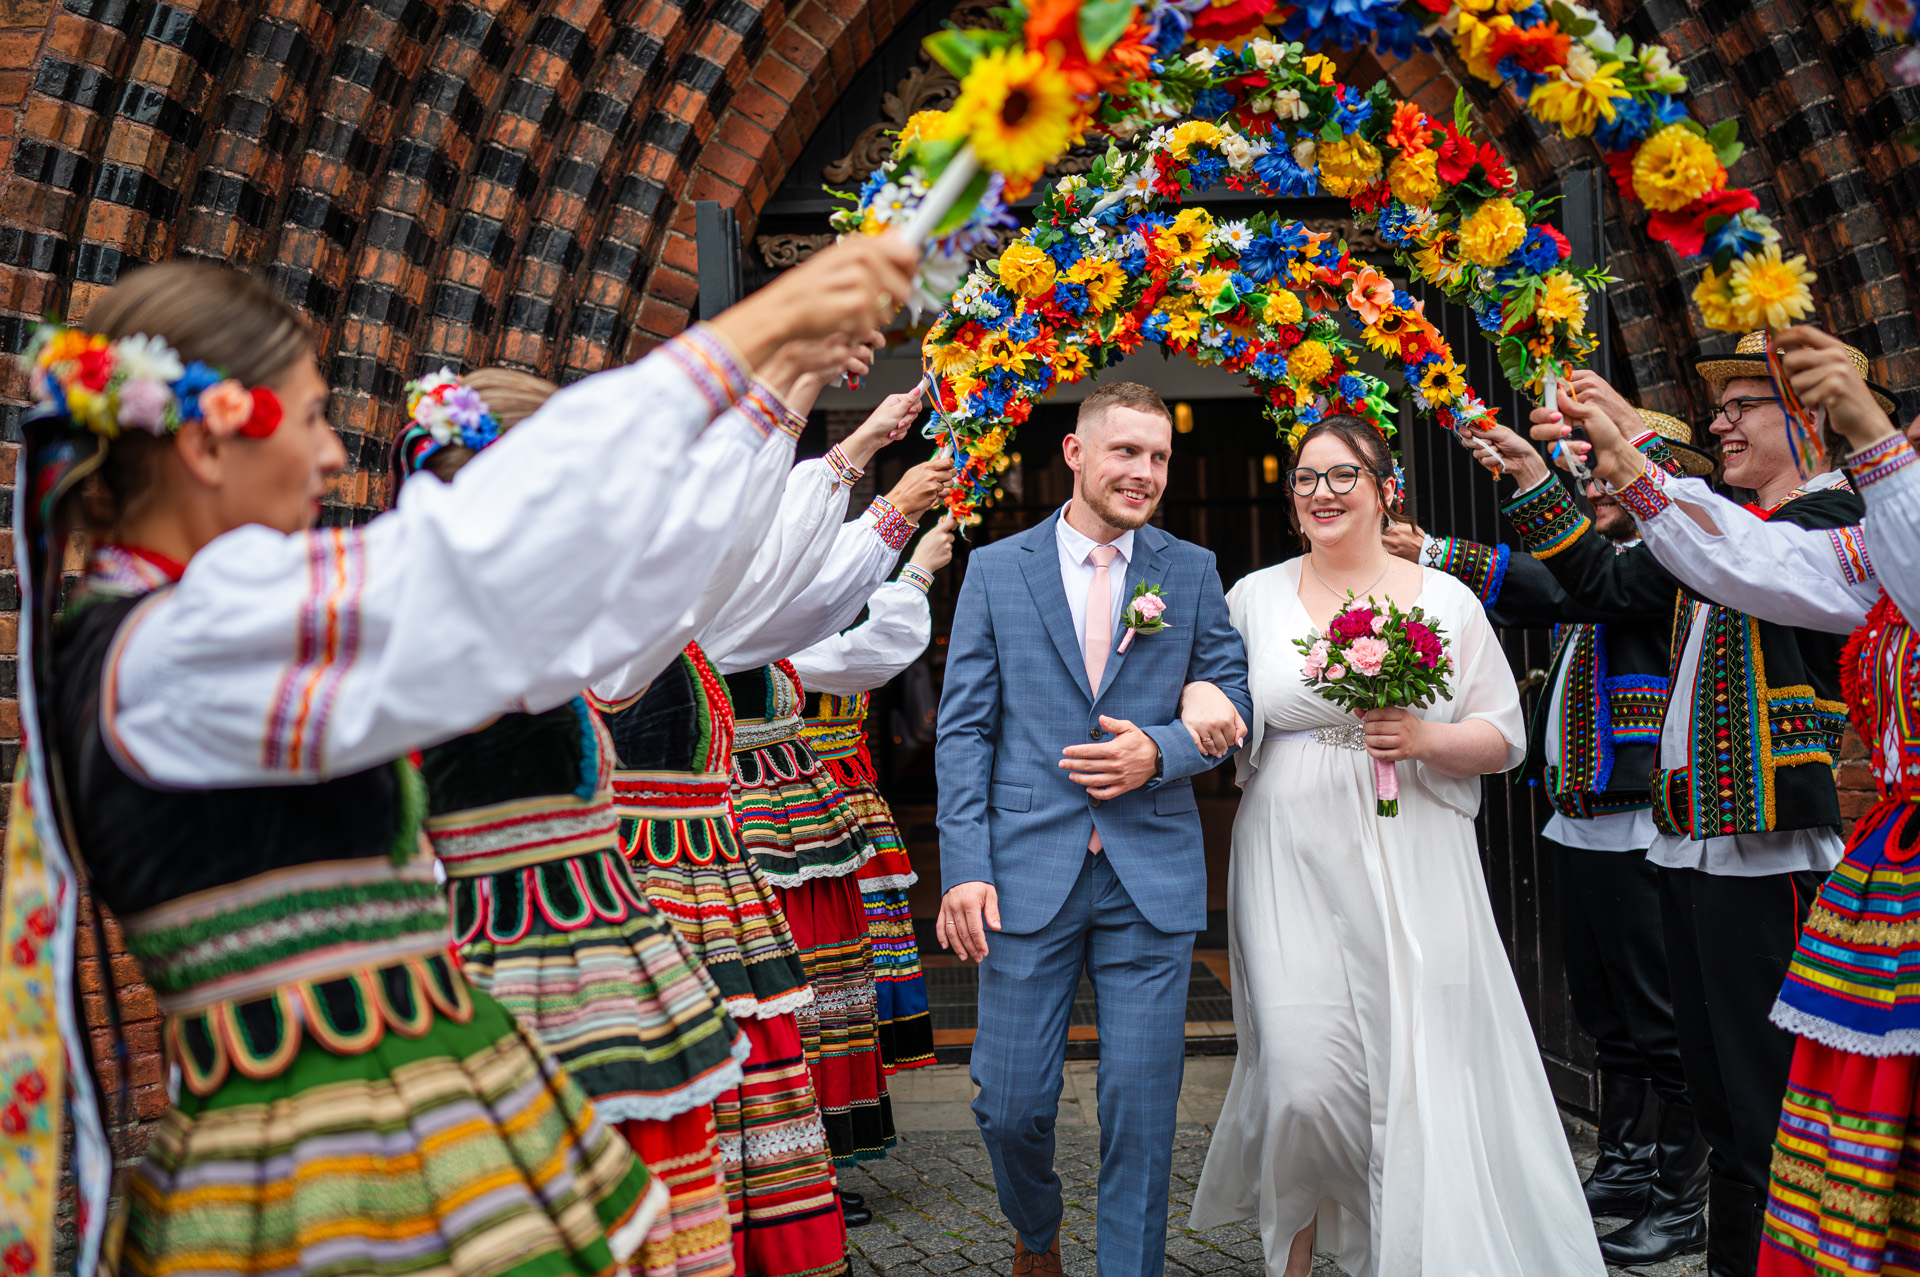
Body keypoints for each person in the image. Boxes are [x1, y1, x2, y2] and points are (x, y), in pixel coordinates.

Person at [0, 241, 912, 1277]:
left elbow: (600, 598)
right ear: (209, 443)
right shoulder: (182, 643)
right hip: (326, 1166)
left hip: (394, 1123)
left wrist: (768, 384)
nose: (333, 457)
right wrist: (756, 337)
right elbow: (465, 564)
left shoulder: (196, 628)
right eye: (311, 418)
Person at [1529, 327, 1920, 1274]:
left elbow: (1743, 558)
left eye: (1744, 404)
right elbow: (1722, 556)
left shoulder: (1840, 517)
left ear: (1808, 418)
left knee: (1772, 1101)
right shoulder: (1800, 533)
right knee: (1737, 1101)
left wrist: (1869, 438)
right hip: (1716, 836)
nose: (1721, 422)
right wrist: (1616, 453)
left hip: (1775, 839)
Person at [1190, 414, 1603, 1277]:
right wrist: (1200, 700)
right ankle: (1294, 1249)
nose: (1322, 493)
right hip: (1288, 853)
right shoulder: (1252, 597)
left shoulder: (1445, 600)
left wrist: (1423, 738)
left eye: (1343, 475)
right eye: (1306, 478)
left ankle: (1406, 1243)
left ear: (1387, 491)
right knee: (1299, 1075)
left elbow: (1505, 734)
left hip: (1414, 849)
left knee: (1414, 1060)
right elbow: (1216, 690)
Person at [935, 381, 1251, 1277]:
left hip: (1149, 874)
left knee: (1142, 1110)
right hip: (1022, 873)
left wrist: (1160, 750)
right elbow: (964, 729)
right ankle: (1037, 1232)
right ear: (1075, 453)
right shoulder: (997, 569)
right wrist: (964, 866)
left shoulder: (1191, 569)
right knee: (1009, 1104)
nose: (1144, 471)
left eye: (1159, 456)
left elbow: (1236, 698)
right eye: (1126, 451)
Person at [1384, 408, 1712, 1263]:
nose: (1596, 485)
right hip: (1582, 813)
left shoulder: (1671, 556)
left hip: (1639, 818)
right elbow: (1555, 585)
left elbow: (1557, 586)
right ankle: (1628, 1163)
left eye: (1613, 472)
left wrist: (1439, 552)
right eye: (1592, 471)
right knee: (1607, 1012)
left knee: (1659, 1016)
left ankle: (1682, 1196)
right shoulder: (1602, 563)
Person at [794, 516, 960, 1079]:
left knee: (854, 937)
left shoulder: (795, 621)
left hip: (843, 797)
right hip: (800, 797)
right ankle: (825, 1071)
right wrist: (918, 573)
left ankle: (844, 1069)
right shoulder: (765, 630)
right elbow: (866, 655)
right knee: (828, 936)